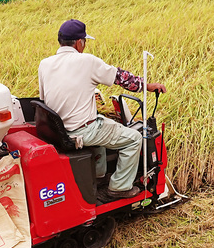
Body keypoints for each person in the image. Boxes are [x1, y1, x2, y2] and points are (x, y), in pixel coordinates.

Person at [38, 19, 166, 201]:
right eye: (84, 42)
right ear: (79, 43)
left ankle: (98, 177)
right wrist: (150, 86)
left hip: (58, 130)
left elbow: (44, 99)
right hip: (81, 131)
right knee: (133, 139)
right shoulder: (87, 61)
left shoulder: (45, 64)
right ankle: (119, 187)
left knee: (103, 124)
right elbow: (122, 78)